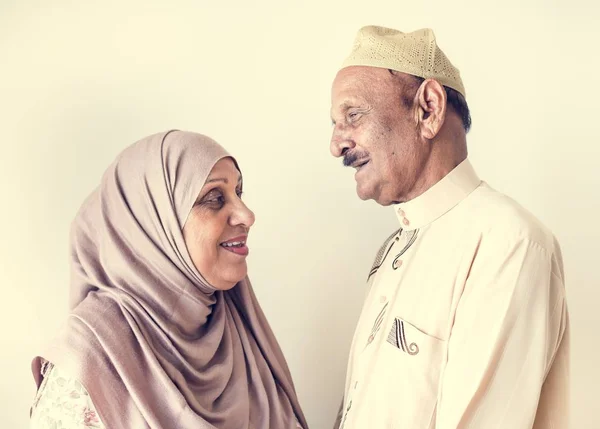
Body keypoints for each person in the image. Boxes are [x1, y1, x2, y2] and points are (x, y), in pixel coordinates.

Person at [329, 26, 569, 429]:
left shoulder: (508, 243)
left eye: (352, 115)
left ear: (428, 108)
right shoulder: (395, 248)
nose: (336, 144)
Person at [29, 130, 308, 429]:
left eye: (238, 194)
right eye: (215, 198)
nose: (246, 215)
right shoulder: (91, 361)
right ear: (153, 224)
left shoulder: (237, 333)